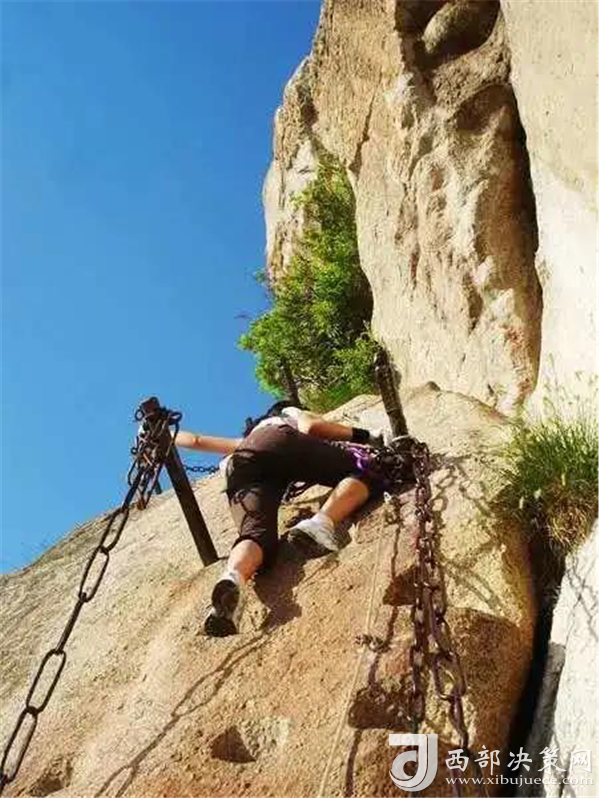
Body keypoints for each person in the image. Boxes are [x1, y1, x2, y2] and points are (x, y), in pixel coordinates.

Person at [174, 401, 388, 637]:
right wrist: (366, 436)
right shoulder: (287, 414)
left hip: (241, 466)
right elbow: (311, 427)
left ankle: (233, 577)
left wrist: (163, 434)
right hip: (278, 441)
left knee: (255, 535)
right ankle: (320, 524)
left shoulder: (246, 438)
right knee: (368, 470)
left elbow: (196, 441)